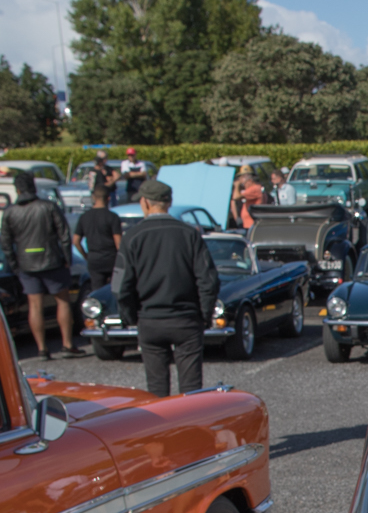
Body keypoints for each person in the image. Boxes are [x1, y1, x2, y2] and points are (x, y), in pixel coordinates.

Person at [115, 177, 219, 396]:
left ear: (145, 202)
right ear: (168, 203)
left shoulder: (132, 237)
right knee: (191, 388)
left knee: (156, 389)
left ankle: (162, 429)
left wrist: (131, 317)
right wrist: (204, 315)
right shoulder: (190, 233)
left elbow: (120, 285)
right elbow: (208, 279)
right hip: (186, 319)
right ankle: (191, 428)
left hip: (150, 319)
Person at [0, 170, 81, 358]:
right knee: (63, 301)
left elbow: (6, 242)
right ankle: (67, 344)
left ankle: (42, 348)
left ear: (17, 190)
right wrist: (67, 259)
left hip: (26, 263)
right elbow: (64, 235)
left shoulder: (10, 212)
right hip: (52, 260)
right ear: (34, 187)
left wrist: (14, 264)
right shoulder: (48, 206)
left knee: (34, 305)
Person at [74, 185, 122, 290]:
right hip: (111, 259)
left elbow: (76, 241)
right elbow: (118, 243)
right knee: (116, 289)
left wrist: (86, 256)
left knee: (97, 290)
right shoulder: (112, 217)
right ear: (108, 198)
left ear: (93, 198)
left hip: (94, 259)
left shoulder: (84, 217)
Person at [230, 163, 266, 231]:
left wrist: (237, 185)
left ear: (248, 180)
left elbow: (236, 197)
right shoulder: (252, 189)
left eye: (241, 178)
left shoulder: (254, 189)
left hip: (251, 224)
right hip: (248, 224)